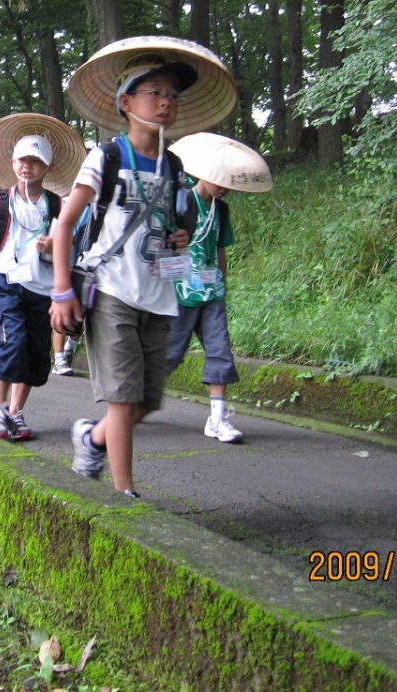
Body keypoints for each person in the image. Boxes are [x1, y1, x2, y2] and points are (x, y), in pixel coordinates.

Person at [50, 36, 238, 497]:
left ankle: (92, 439)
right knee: (123, 399)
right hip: (112, 290)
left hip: (160, 295)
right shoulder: (107, 157)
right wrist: (62, 290)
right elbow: (65, 224)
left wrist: (178, 237)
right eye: (154, 92)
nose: (166, 102)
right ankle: (126, 495)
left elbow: (175, 225)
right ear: (126, 102)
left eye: (173, 95)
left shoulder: (173, 166)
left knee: (147, 402)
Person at [0, 113, 86, 442]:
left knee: (35, 353)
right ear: (13, 163)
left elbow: (68, 247)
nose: (27, 166)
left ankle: (15, 412)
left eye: (35, 161)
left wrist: (54, 246)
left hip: (44, 289)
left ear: (47, 167)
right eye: (22, 160)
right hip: (8, 283)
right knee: (12, 344)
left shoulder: (57, 205)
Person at [165, 132, 273, 443]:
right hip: (180, 291)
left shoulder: (221, 210)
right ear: (204, 172)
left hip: (211, 292)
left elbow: (219, 248)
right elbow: (165, 242)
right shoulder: (182, 201)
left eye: (229, 180)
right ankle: (131, 404)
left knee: (220, 351)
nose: (224, 186)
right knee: (169, 354)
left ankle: (217, 418)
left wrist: (223, 282)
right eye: (219, 179)